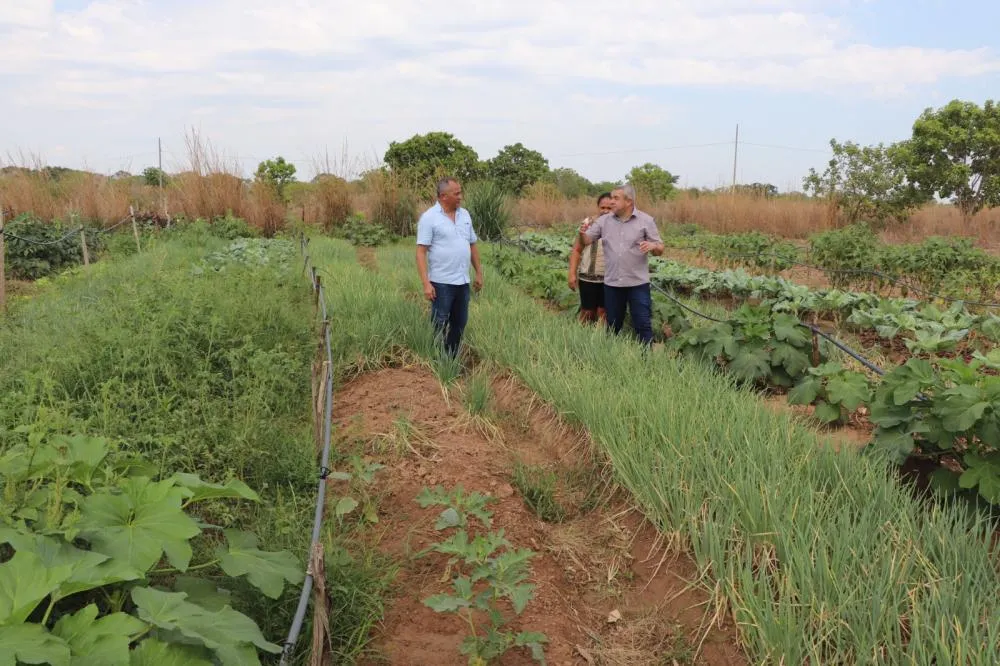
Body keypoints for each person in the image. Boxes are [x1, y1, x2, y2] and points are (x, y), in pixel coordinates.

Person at [577, 184, 664, 346]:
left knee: (643, 324)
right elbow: (587, 241)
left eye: (616, 198)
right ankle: (612, 357)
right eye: (611, 198)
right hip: (613, 284)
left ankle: (646, 359)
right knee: (613, 325)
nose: (611, 202)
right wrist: (582, 233)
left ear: (629, 201)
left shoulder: (646, 221)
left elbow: (660, 248)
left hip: (637, 284)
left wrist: (653, 246)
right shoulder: (604, 221)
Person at [416, 177, 484, 358]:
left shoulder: (465, 215)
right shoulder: (429, 218)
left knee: (460, 323)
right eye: (457, 193)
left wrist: (478, 272)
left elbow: (472, 245)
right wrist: (426, 284)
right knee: (439, 322)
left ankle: (451, 357)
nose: (461, 197)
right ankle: (436, 359)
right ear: (443, 196)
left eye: (460, 192)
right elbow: (421, 252)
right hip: (441, 282)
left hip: (462, 281)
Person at [568, 192, 614, 324]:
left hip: (609, 278)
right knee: (587, 313)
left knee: (603, 313)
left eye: (609, 208)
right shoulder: (588, 223)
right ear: (598, 207)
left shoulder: (618, 225)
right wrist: (572, 274)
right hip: (588, 276)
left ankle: (600, 341)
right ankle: (579, 339)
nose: (605, 211)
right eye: (602, 207)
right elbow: (577, 250)